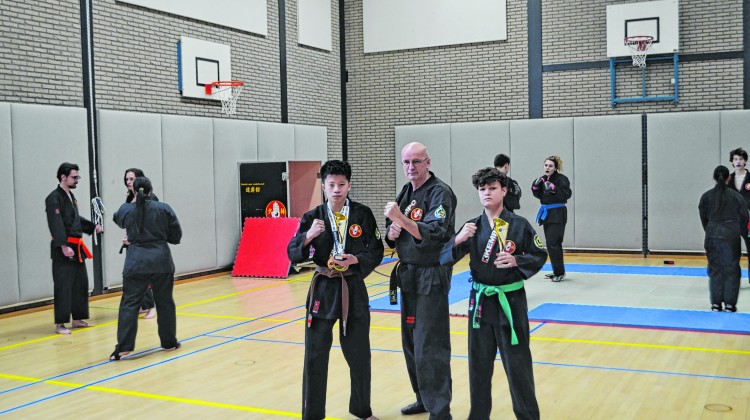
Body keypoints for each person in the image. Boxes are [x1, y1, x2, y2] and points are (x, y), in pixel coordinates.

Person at [440, 167, 546, 420]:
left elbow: (539, 254)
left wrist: (517, 260)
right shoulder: (473, 227)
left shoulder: (519, 225)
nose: (487, 193)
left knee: (518, 363)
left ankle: (527, 416)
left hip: (510, 300)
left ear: (504, 190)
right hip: (480, 303)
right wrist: (457, 239)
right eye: (482, 189)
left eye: (492, 188)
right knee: (478, 365)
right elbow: (443, 258)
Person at [287, 160, 383, 420]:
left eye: (342, 184)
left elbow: (376, 249)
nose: (337, 190)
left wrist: (356, 259)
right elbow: (292, 253)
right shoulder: (312, 217)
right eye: (331, 185)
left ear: (349, 185)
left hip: (352, 286)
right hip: (323, 289)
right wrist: (308, 236)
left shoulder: (362, 214)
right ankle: (312, 415)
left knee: (359, 351)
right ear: (324, 187)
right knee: (315, 354)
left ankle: (362, 410)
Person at [385, 142, 456, 419]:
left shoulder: (440, 193)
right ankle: (423, 398)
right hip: (409, 275)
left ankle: (440, 410)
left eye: (416, 162)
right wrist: (392, 231)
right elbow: (397, 231)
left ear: (428, 162)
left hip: (431, 275)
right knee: (411, 342)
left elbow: (433, 234)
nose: (411, 167)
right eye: (406, 162)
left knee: (431, 343)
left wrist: (400, 219)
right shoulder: (407, 192)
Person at [110, 176, 182, 360]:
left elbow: (117, 220)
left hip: (136, 262)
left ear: (133, 190)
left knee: (129, 304)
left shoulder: (126, 210)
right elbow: (176, 237)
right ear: (151, 190)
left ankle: (123, 347)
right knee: (165, 302)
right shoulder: (164, 208)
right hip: (161, 261)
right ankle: (169, 343)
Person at [45, 162, 103, 335]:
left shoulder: (71, 196)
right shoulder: (54, 198)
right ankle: (61, 324)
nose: (77, 180)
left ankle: (78, 319)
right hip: (64, 248)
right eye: (74, 177)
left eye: (78, 177)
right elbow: (55, 223)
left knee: (80, 283)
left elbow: (75, 219)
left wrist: (92, 228)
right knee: (63, 284)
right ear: (63, 177)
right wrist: (63, 245)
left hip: (76, 247)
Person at [699, 165, 748, 312]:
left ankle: (715, 304)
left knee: (715, 269)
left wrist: (710, 229)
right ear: (729, 178)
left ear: (714, 178)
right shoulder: (736, 197)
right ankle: (730, 304)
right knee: (732, 269)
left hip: (712, 233)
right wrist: (737, 230)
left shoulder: (706, 196)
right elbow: (745, 217)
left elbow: (703, 218)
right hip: (731, 234)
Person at [531, 156, 572, 282]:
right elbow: (539, 195)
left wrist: (555, 189)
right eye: (546, 165)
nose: (547, 168)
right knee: (550, 244)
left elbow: (567, 194)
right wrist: (535, 188)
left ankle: (559, 272)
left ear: (555, 168)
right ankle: (557, 271)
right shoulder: (543, 179)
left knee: (554, 244)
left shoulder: (561, 179)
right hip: (547, 213)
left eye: (550, 166)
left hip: (558, 213)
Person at [123, 168, 156, 319]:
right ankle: (141, 305)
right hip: (134, 244)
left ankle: (152, 306)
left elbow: (150, 223)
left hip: (147, 244)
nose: (128, 182)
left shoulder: (150, 198)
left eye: (131, 179)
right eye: (127, 179)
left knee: (144, 276)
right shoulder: (129, 198)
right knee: (132, 276)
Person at [727, 148, 750, 284]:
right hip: (733, 220)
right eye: (735, 159)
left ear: (745, 161)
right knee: (732, 251)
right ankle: (733, 279)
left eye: (741, 159)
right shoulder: (728, 179)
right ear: (732, 162)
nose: (738, 162)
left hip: (748, 220)